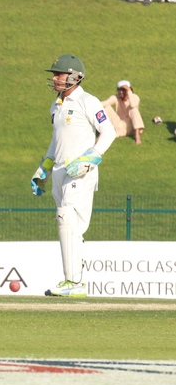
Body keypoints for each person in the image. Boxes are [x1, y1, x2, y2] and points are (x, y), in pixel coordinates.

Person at [31, 55, 115, 298]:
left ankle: (73, 282)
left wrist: (91, 158)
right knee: (69, 226)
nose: (55, 78)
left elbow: (108, 132)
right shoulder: (56, 105)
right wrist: (43, 169)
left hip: (79, 170)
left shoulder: (88, 101)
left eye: (60, 74)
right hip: (59, 171)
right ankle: (73, 282)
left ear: (75, 77)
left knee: (67, 217)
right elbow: (57, 141)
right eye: (54, 74)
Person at [102, 81, 145, 145]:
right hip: (119, 126)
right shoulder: (116, 97)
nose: (121, 92)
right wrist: (91, 103)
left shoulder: (135, 97)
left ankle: (137, 136)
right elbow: (105, 103)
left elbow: (133, 105)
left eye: (123, 90)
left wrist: (129, 91)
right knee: (106, 108)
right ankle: (103, 133)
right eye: (119, 90)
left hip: (131, 127)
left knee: (133, 109)